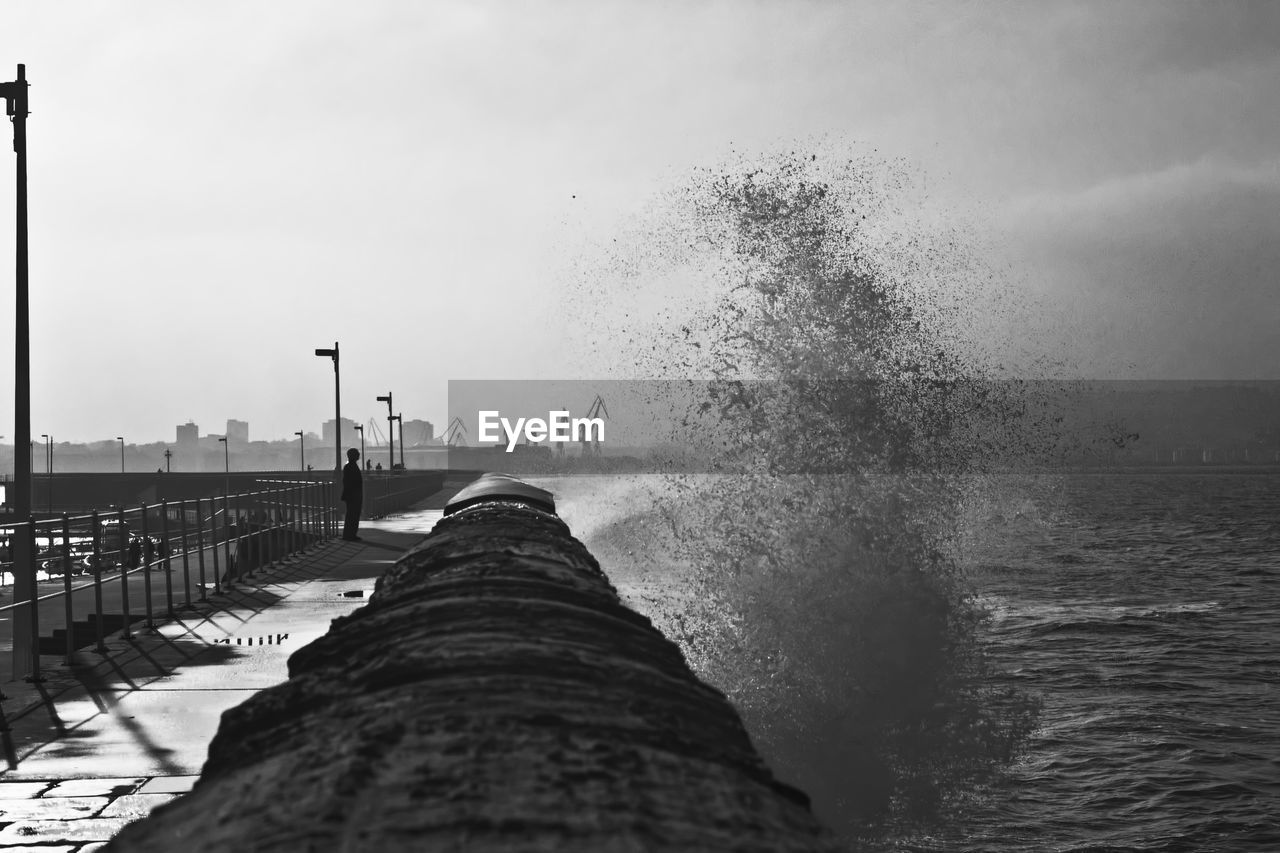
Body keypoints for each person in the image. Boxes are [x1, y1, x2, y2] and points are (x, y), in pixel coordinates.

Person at [340, 447, 363, 541]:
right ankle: (350, 535)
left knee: (352, 515)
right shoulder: (350, 466)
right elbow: (349, 482)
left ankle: (350, 534)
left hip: (352, 495)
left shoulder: (349, 465)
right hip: (353, 495)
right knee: (352, 515)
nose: (359, 455)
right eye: (357, 453)